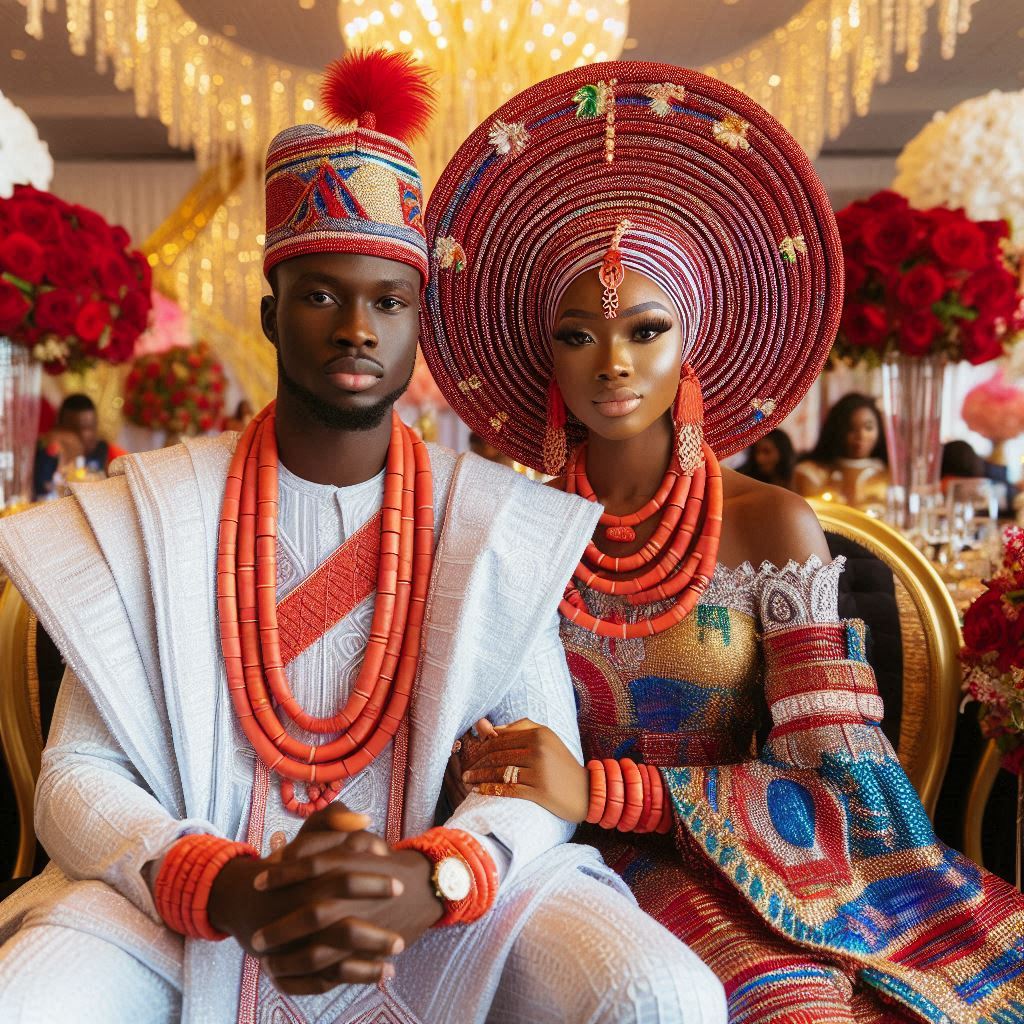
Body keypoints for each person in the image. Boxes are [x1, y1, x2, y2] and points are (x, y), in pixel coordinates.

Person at [0, 53, 723, 1024]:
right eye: (320, 296)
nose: (355, 329)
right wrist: (230, 885)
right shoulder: (156, 510)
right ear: (270, 313)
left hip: (434, 909)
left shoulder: (489, 519)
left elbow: (534, 768)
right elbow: (75, 779)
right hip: (185, 907)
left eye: (386, 302)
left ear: (417, 323)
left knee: (662, 995)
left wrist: (428, 882)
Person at [420, 60, 1024, 1023]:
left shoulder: (768, 525)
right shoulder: (508, 527)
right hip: (551, 869)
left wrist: (605, 788)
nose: (611, 362)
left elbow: (843, 784)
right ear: (547, 354)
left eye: (644, 328)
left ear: (688, 342)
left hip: (749, 867)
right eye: (577, 335)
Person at [793, 393, 889, 512]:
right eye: (851, 428)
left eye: (868, 427)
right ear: (837, 430)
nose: (861, 436)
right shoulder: (812, 473)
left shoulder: (890, 474)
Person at [32, 393, 127, 499]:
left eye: (89, 428)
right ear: (60, 427)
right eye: (75, 429)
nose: (83, 435)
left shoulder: (105, 450)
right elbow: (41, 490)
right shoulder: (46, 451)